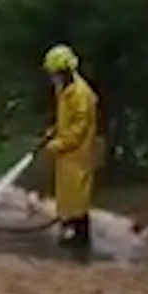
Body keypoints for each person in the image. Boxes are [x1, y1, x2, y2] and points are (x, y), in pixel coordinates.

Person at [38, 43, 99, 255]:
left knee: (78, 196)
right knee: (66, 194)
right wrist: (53, 131)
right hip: (67, 153)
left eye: (54, 73)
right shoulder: (64, 89)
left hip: (78, 153)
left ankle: (81, 237)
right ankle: (69, 229)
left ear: (64, 71)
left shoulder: (81, 94)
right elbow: (66, 120)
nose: (52, 77)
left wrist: (58, 144)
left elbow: (79, 128)